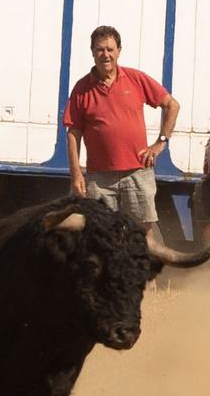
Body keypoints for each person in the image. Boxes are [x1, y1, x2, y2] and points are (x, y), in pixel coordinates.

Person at [64, 25, 178, 243]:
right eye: (100, 50)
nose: (105, 55)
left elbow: (172, 105)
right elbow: (73, 132)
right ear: (92, 52)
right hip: (99, 179)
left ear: (118, 51)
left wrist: (160, 142)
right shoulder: (82, 88)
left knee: (143, 233)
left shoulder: (135, 79)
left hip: (137, 172)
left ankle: (148, 278)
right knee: (99, 235)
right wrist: (76, 173)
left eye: (110, 49)